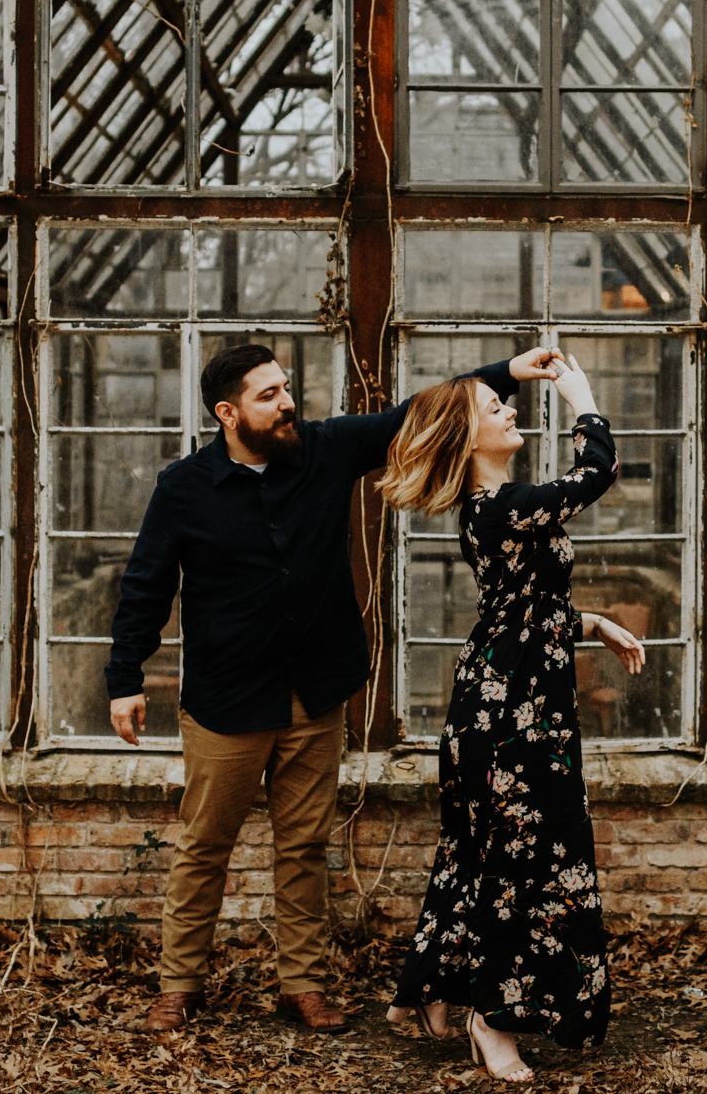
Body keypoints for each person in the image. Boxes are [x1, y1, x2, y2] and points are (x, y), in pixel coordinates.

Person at [105, 342, 568, 1035]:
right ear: (229, 413)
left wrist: (506, 373)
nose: (288, 401)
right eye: (268, 394)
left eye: (286, 387)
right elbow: (146, 585)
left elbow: (413, 414)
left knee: (303, 845)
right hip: (228, 700)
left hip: (315, 692)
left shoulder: (324, 449)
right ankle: (179, 986)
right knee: (204, 845)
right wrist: (125, 679)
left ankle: (303, 985)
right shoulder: (184, 487)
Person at [376, 353, 644, 1084]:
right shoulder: (498, 505)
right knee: (524, 856)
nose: (509, 410)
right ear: (467, 437)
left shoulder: (501, 511)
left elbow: (522, 604)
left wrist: (593, 624)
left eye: (508, 403)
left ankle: (442, 991)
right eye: (496, 408)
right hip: (508, 711)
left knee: (482, 848)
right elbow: (596, 472)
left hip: (514, 694)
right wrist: (583, 398)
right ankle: (491, 1017)